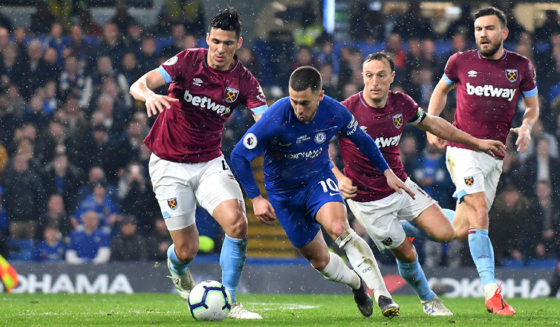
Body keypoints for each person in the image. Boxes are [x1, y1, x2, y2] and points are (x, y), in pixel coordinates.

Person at [230, 66, 415, 319]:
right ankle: (357, 284)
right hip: (284, 196)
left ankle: (383, 294)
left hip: (318, 181)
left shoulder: (335, 112)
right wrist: (256, 198)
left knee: (340, 229)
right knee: (319, 261)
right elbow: (239, 155)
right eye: (294, 101)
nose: (298, 109)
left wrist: (386, 172)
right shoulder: (275, 117)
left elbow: (363, 140)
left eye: (304, 103)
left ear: (319, 96)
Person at [331, 52, 506, 316]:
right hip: (368, 202)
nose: (374, 82)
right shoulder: (346, 111)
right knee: (408, 253)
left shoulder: (401, 103)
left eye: (381, 75)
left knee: (448, 233)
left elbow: (435, 125)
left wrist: (478, 143)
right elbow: (318, 145)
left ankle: (402, 226)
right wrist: (338, 177)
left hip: (402, 186)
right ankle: (429, 300)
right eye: (369, 76)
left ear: (392, 77)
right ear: (362, 77)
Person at [129, 8, 267, 319]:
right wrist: (148, 95)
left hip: (208, 162)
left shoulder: (243, 81)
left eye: (228, 44)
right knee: (187, 250)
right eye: (215, 41)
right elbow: (138, 84)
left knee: (237, 223)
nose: (220, 49)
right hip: (167, 163)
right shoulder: (188, 60)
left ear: (238, 44)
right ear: (207, 39)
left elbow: (264, 119)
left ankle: (230, 301)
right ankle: (177, 269)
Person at [426, 7, 539, 315]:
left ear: (503, 33)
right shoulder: (460, 61)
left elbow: (532, 106)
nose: (482, 34)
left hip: (494, 157)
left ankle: (414, 221)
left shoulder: (520, 66)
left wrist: (527, 127)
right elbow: (440, 90)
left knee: (463, 228)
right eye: (478, 29)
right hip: (462, 149)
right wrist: (431, 122)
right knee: (478, 209)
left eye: (489, 29)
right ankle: (492, 293)